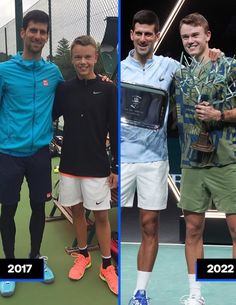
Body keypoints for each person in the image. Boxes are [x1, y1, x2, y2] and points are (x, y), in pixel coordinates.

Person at [0, 10, 63, 297]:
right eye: (33, 30)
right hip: (8, 154)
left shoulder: (53, 72)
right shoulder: (4, 71)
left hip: (40, 155)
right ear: (23, 32)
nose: (38, 36)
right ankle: (10, 265)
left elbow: (72, 95)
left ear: (47, 36)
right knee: (9, 209)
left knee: (38, 207)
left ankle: (35, 258)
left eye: (43, 32)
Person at [175, 13, 236, 305]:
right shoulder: (180, 74)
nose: (190, 41)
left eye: (195, 35)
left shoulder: (229, 65)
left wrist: (219, 115)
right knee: (192, 229)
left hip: (227, 159)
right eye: (185, 37)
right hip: (191, 162)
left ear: (208, 35)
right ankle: (196, 295)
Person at [121, 10, 180, 305]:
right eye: (139, 33)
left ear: (157, 36)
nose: (143, 38)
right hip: (122, 160)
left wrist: (214, 52)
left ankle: (139, 293)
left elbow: (201, 73)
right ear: (131, 34)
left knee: (149, 225)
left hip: (155, 160)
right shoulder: (119, 70)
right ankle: (110, 273)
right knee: (109, 220)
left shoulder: (170, 67)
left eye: (149, 33)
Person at [52, 35, 118, 295]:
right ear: (72, 59)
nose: (83, 61)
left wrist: (114, 167)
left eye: (87, 57)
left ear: (95, 58)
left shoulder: (108, 89)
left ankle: (106, 266)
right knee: (78, 214)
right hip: (69, 164)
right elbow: (50, 113)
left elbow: (113, 127)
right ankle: (83, 256)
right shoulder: (64, 89)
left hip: (97, 165)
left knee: (101, 216)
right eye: (78, 57)